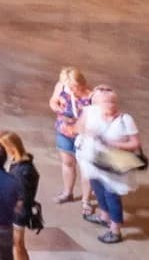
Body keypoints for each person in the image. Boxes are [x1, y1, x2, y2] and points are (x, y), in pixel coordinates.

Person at [74, 85, 142, 245]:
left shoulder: (126, 119)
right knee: (98, 189)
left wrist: (115, 144)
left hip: (113, 165)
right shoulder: (92, 113)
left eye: (111, 102)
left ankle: (115, 230)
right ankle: (104, 216)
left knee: (112, 196)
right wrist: (86, 131)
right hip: (95, 162)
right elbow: (77, 128)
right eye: (104, 103)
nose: (109, 106)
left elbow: (135, 144)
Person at [50, 68, 94, 207]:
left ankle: (86, 200)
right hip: (64, 131)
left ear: (82, 83)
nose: (72, 90)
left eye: (75, 87)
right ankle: (67, 192)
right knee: (67, 162)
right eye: (70, 87)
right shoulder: (61, 86)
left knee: (86, 168)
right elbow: (53, 101)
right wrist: (58, 109)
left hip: (84, 137)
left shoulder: (92, 96)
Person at [0, 131, 43, 260]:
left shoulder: (23, 170)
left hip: (18, 213)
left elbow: (22, 196)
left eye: (3, 147)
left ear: (11, 147)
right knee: (17, 245)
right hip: (17, 211)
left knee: (17, 245)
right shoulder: (19, 163)